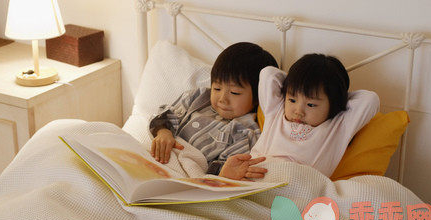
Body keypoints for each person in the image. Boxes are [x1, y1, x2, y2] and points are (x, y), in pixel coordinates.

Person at [219, 53, 380, 180]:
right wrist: (295, 82)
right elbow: (268, 74)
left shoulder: (338, 126)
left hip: (296, 185)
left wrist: (336, 100)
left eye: (311, 105)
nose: (298, 111)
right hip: (252, 177)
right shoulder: (276, 112)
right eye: (292, 100)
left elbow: (370, 100)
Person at [149, 42, 278, 175]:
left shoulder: (246, 131)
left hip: (187, 173)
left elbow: (225, 169)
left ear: (258, 97)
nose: (222, 98)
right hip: (158, 157)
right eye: (217, 88)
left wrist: (224, 172)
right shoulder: (199, 97)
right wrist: (163, 132)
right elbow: (165, 114)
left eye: (234, 92)